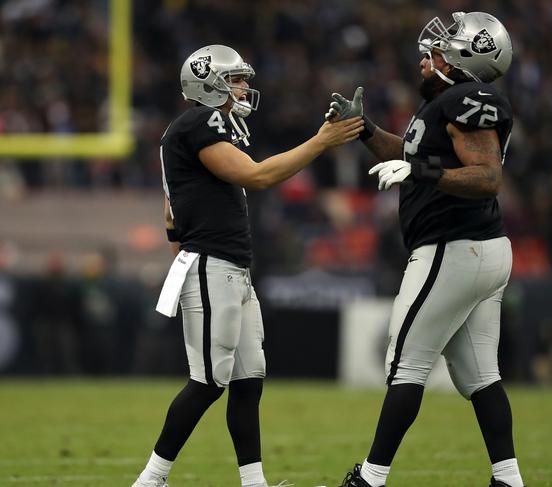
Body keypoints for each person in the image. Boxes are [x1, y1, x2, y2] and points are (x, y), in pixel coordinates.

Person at [131, 44, 364, 487]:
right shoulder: (200, 121)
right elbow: (257, 176)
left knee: (248, 378)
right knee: (208, 381)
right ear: (207, 82)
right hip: (213, 266)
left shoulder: (193, 130)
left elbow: (169, 215)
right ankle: (150, 479)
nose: (244, 86)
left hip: (229, 266)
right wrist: (320, 141)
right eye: (235, 78)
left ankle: (253, 483)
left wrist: (184, 256)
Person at [326, 12, 525, 487]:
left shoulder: (468, 99)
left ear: (464, 58)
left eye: (438, 50)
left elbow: (487, 177)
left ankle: (370, 479)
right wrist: (365, 130)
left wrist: (421, 173)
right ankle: (509, 478)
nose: (425, 57)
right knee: (479, 376)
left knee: (405, 363)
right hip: (478, 249)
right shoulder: (446, 102)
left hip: (453, 249)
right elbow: (412, 156)